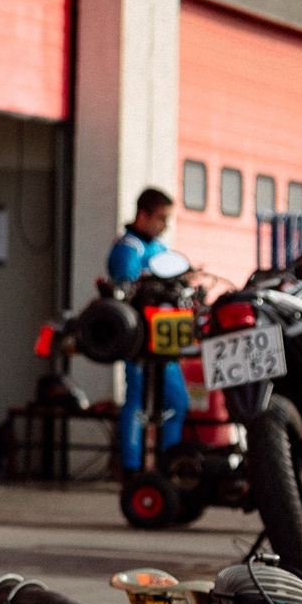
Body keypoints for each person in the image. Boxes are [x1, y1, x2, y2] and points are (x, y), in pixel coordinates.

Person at [110, 186, 188, 472]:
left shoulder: (159, 248)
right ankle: (131, 467)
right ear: (143, 215)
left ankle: (170, 464)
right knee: (137, 400)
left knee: (177, 401)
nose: (164, 225)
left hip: (165, 339)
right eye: (161, 218)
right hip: (141, 340)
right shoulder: (128, 248)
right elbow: (125, 285)